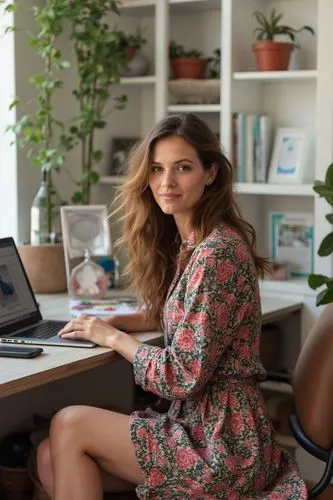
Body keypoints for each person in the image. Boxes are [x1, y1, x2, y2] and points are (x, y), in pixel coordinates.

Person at [36, 113, 307, 499]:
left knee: (69, 423)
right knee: (50, 456)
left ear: (210, 173)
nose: (167, 182)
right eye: (157, 169)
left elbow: (182, 376)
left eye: (183, 168)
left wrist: (112, 336)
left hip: (222, 444)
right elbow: (187, 315)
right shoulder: (194, 243)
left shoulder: (217, 254)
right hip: (198, 428)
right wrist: (111, 319)